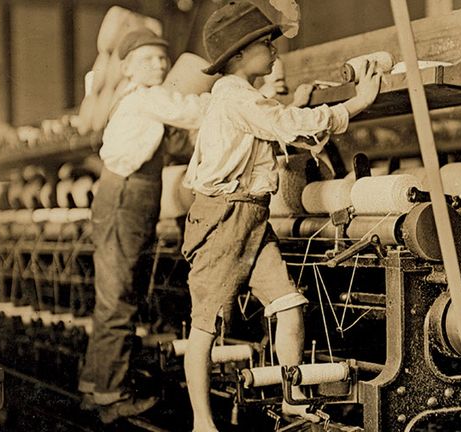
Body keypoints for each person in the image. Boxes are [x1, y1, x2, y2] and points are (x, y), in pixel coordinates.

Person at [181, 2, 381, 430]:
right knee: (206, 326)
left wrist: (296, 105)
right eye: (265, 43)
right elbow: (287, 124)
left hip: (253, 218)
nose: (274, 50)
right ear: (237, 56)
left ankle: (292, 398)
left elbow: (277, 124)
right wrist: (359, 101)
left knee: (289, 305)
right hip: (224, 220)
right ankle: (201, 421)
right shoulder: (236, 98)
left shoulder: (245, 98)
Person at [78, 28, 208, 424]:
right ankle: (113, 396)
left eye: (162, 58)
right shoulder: (148, 97)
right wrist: (240, 94)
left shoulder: (136, 101)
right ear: (127, 66)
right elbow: (195, 111)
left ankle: (95, 386)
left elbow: (175, 143)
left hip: (124, 197)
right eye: (148, 58)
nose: (160, 64)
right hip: (126, 199)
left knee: (113, 297)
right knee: (118, 299)